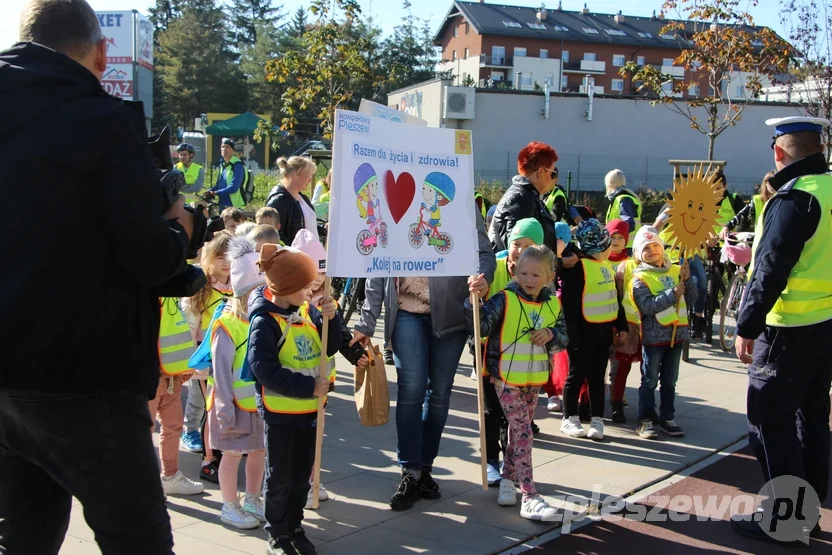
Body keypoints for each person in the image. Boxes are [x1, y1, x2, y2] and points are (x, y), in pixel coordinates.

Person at [0, 1, 197, 553]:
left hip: (8, 376)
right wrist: (183, 228)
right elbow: (152, 260)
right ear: (101, 52)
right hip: (82, 378)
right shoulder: (102, 121)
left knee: (23, 535)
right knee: (138, 541)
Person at [730, 116, 832, 545]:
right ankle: (806, 515)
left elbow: (770, 270)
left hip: (788, 329)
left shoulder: (795, 198)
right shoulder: (827, 190)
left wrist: (746, 325)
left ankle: (787, 519)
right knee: (812, 421)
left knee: (768, 422)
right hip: (825, 327)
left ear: (779, 152)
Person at [352, 209, 496, 511]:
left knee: (440, 392)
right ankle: (410, 470)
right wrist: (366, 322)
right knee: (412, 388)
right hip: (407, 312)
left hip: (452, 315)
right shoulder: (394, 202)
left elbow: (484, 252)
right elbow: (379, 264)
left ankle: (425, 466)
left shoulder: (461, 199)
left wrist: (482, 278)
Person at [247, 245, 342, 555]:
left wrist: (333, 319)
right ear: (287, 289)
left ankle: (295, 525)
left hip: (310, 411)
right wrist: (308, 386)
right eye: (305, 286)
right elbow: (264, 370)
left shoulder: (306, 311)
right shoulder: (265, 322)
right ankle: (277, 532)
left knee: (302, 475)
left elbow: (330, 347)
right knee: (280, 477)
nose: (311, 290)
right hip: (282, 413)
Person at [465, 246, 568, 522]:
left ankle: (508, 482)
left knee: (516, 432)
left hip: (533, 378)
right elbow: (482, 326)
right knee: (523, 432)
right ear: (514, 271)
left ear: (549, 276)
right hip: (505, 378)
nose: (529, 279)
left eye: (536, 274)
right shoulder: (504, 298)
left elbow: (563, 338)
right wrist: (472, 302)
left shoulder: (553, 303)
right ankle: (530, 495)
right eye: (523, 272)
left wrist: (550, 334)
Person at [292, 229, 368, 507]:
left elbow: (338, 335)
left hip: (321, 379)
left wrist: (354, 352)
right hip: (294, 378)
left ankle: (312, 478)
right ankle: (289, 480)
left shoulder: (328, 300)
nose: (317, 279)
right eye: (312, 272)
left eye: (321, 273)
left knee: (314, 433)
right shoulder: (290, 303)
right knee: (292, 436)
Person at [202, 237, 267, 529]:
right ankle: (229, 504)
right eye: (258, 291)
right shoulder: (227, 324)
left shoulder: (259, 319)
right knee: (231, 453)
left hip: (257, 403)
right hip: (233, 404)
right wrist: (223, 408)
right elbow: (221, 372)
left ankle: (252, 498)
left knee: (258, 451)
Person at [559, 219, 627, 441]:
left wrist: (621, 325)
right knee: (576, 376)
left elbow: (614, 298)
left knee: (598, 377)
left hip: (603, 333)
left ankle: (597, 419)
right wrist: (572, 336)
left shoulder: (606, 267)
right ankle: (569, 418)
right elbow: (569, 305)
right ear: (599, 245)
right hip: (582, 334)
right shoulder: (578, 268)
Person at [630, 227, 696, 440]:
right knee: (649, 380)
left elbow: (691, 299)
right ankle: (645, 418)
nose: (652, 251)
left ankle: (668, 417)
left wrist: (689, 281)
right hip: (654, 338)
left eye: (656, 246)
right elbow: (647, 307)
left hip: (676, 337)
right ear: (639, 254)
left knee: (670, 380)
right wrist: (672, 293)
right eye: (646, 248)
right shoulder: (640, 278)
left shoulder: (677, 271)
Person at [181, 234, 234, 481]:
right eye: (220, 257)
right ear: (209, 258)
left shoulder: (238, 285)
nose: (226, 262)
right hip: (206, 357)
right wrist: (192, 359)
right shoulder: (200, 288)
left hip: (232, 358)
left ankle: (224, 452)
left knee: (226, 407)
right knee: (208, 408)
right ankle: (209, 460)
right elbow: (190, 326)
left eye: (230, 257)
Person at [151, 298, 205, 497]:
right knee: (141, 431)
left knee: (173, 426)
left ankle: (170, 476)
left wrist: (184, 366)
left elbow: (180, 333)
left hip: (171, 376)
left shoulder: (169, 297)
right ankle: (142, 482)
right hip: (149, 377)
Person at [489, 142, 558, 252]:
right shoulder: (521, 199)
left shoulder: (527, 196)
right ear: (541, 172)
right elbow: (518, 253)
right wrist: (561, 262)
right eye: (552, 173)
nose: (552, 179)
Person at [606, 219, 641, 424]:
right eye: (612, 237)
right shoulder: (600, 259)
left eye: (620, 237)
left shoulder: (629, 263)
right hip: (602, 320)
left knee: (618, 363)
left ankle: (616, 395)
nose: (616, 241)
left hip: (623, 322)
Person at [266, 156, 319, 244]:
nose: (310, 180)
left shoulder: (304, 199)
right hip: (294, 256)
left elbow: (308, 226)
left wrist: (323, 228)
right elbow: (273, 234)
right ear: (295, 174)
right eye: (308, 175)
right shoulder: (279, 201)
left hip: (309, 255)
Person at [719, 170, 776, 239]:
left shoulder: (784, 201)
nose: (772, 185)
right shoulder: (757, 201)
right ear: (765, 183)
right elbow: (742, 215)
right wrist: (727, 227)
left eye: (777, 181)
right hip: (761, 243)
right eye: (769, 181)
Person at [604, 169, 642, 249]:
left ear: (609, 184)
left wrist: (616, 237)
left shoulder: (622, 200)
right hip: (625, 244)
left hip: (624, 246)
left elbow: (629, 223)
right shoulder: (625, 198)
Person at [206, 138, 248, 209]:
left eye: (227, 147)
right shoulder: (223, 164)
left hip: (235, 206)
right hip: (222, 204)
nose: (224, 149)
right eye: (222, 147)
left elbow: (234, 187)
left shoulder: (238, 165)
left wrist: (216, 192)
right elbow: (218, 185)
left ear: (233, 150)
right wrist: (210, 191)